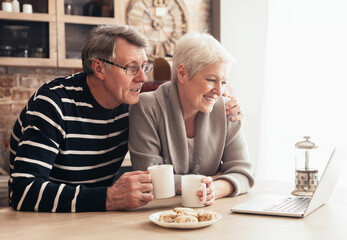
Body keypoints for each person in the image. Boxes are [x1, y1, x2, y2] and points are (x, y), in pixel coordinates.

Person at [8, 25, 243, 212]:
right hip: (45, 222)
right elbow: (22, 191)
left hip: (95, 217)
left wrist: (222, 94)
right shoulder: (53, 103)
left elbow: (174, 93)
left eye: (145, 66)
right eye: (131, 68)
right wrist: (108, 198)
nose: (141, 78)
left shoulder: (131, 103)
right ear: (99, 69)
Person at [129, 32, 255, 206]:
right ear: (182, 73)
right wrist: (212, 178)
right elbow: (149, 180)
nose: (219, 91)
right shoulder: (147, 107)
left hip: (211, 212)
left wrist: (213, 189)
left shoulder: (228, 109)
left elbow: (243, 174)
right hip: (159, 214)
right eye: (211, 80)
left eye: (224, 82)